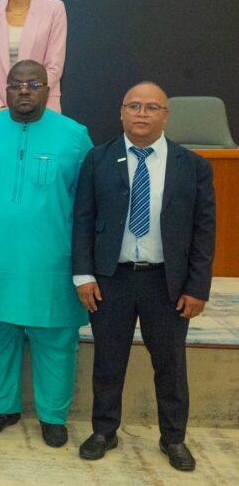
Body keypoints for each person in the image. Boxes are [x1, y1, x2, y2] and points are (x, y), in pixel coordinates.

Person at [73, 82, 215, 472]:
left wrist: (197, 287)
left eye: (152, 107)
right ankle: (104, 431)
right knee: (108, 361)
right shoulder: (98, 159)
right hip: (111, 279)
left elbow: (204, 231)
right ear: (121, 112)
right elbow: (83, 220)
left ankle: (173, 438)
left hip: (167, 283)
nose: (142, 113)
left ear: (166, 115)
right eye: (134, 106)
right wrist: (83, 276)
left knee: (171, 365)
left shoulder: (193, 166)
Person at [0, 60, 92, 447]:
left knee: (55, 340)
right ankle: (4, 407)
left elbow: (89, 204)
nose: (23, 90)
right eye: (15, 84)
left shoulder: (74, 135)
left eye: (33, 84)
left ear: (48, 89)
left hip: (51, 260)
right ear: (4, 90)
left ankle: (53, 416)